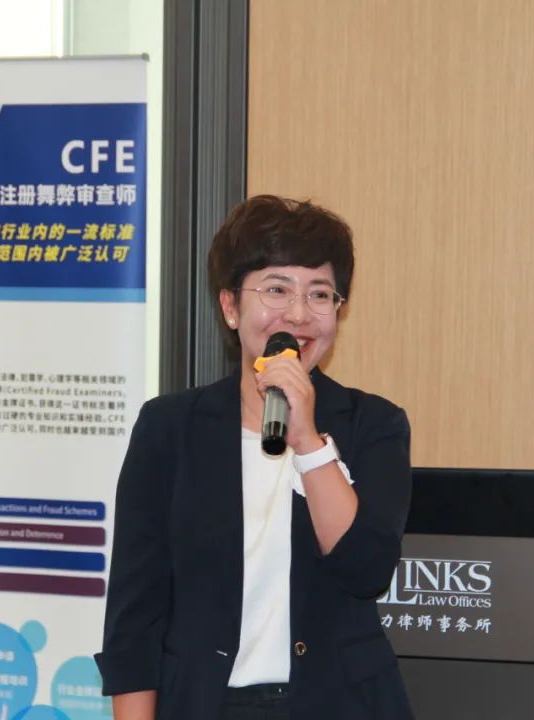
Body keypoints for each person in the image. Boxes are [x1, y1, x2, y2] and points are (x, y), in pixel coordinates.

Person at [95, 195, 414, 719]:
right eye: (276, 289)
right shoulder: (170, 428)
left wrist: (308, 442)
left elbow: (366, 569)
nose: (299, 313)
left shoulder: (374, 425)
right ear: (230, 306)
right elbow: (135, 615)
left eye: (319, 294)